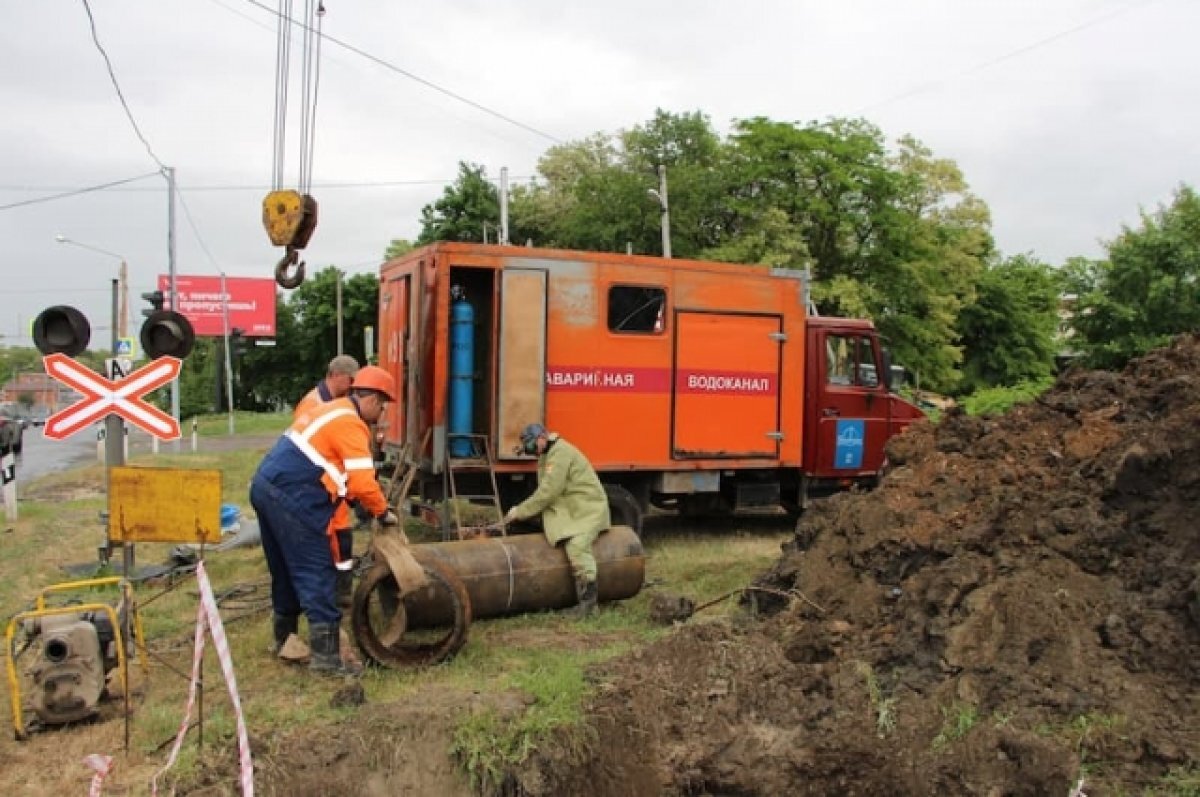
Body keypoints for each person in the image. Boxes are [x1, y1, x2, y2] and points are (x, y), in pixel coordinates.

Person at [251, 365, 399, 675]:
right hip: (294, 496)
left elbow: (335, 470)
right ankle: (327, 660)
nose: (382, 412)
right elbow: (362, 481)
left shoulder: (332, 409)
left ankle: (285, 639)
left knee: (284, 568)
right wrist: (383, 512)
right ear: (370, 399)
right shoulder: (351, 423)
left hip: (266, 486)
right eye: (382, 405)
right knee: (315, 570)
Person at [504, 423, 610, 618]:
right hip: (573, 507)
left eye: (531, 446)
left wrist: (520, 511)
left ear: (542, 438)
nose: (532, 452)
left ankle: (589, 605)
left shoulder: (560, 453)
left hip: (587, 509)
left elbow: (548, 492)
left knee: (577, 547)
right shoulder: (548, 454)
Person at [294, 354, 362, 607]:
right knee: (323, 543)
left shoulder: (337, 403)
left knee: (343, 539)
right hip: (318, 489)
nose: (354, 387)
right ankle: (325, 593)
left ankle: (342, 592)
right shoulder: (312, 405)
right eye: (350, 380)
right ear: (335, 375)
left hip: (336, 489)